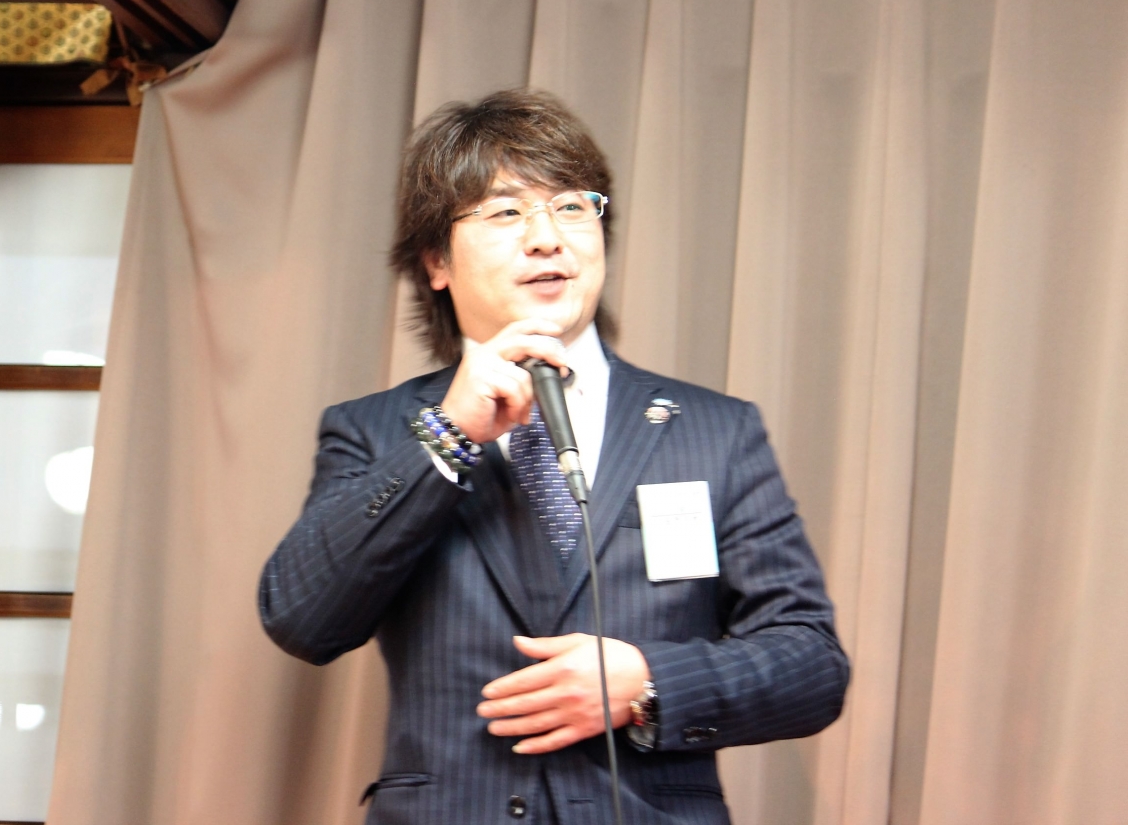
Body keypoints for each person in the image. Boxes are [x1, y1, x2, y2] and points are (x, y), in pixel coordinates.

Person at [259, 88, 849, 824]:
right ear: (436, 261)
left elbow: (811, 664)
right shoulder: (376, 430)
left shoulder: (715, 431)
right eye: (506, 213)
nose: (547, 237)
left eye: (572, 206)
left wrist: (648, 682)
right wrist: (448, 434)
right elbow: (302, 618)